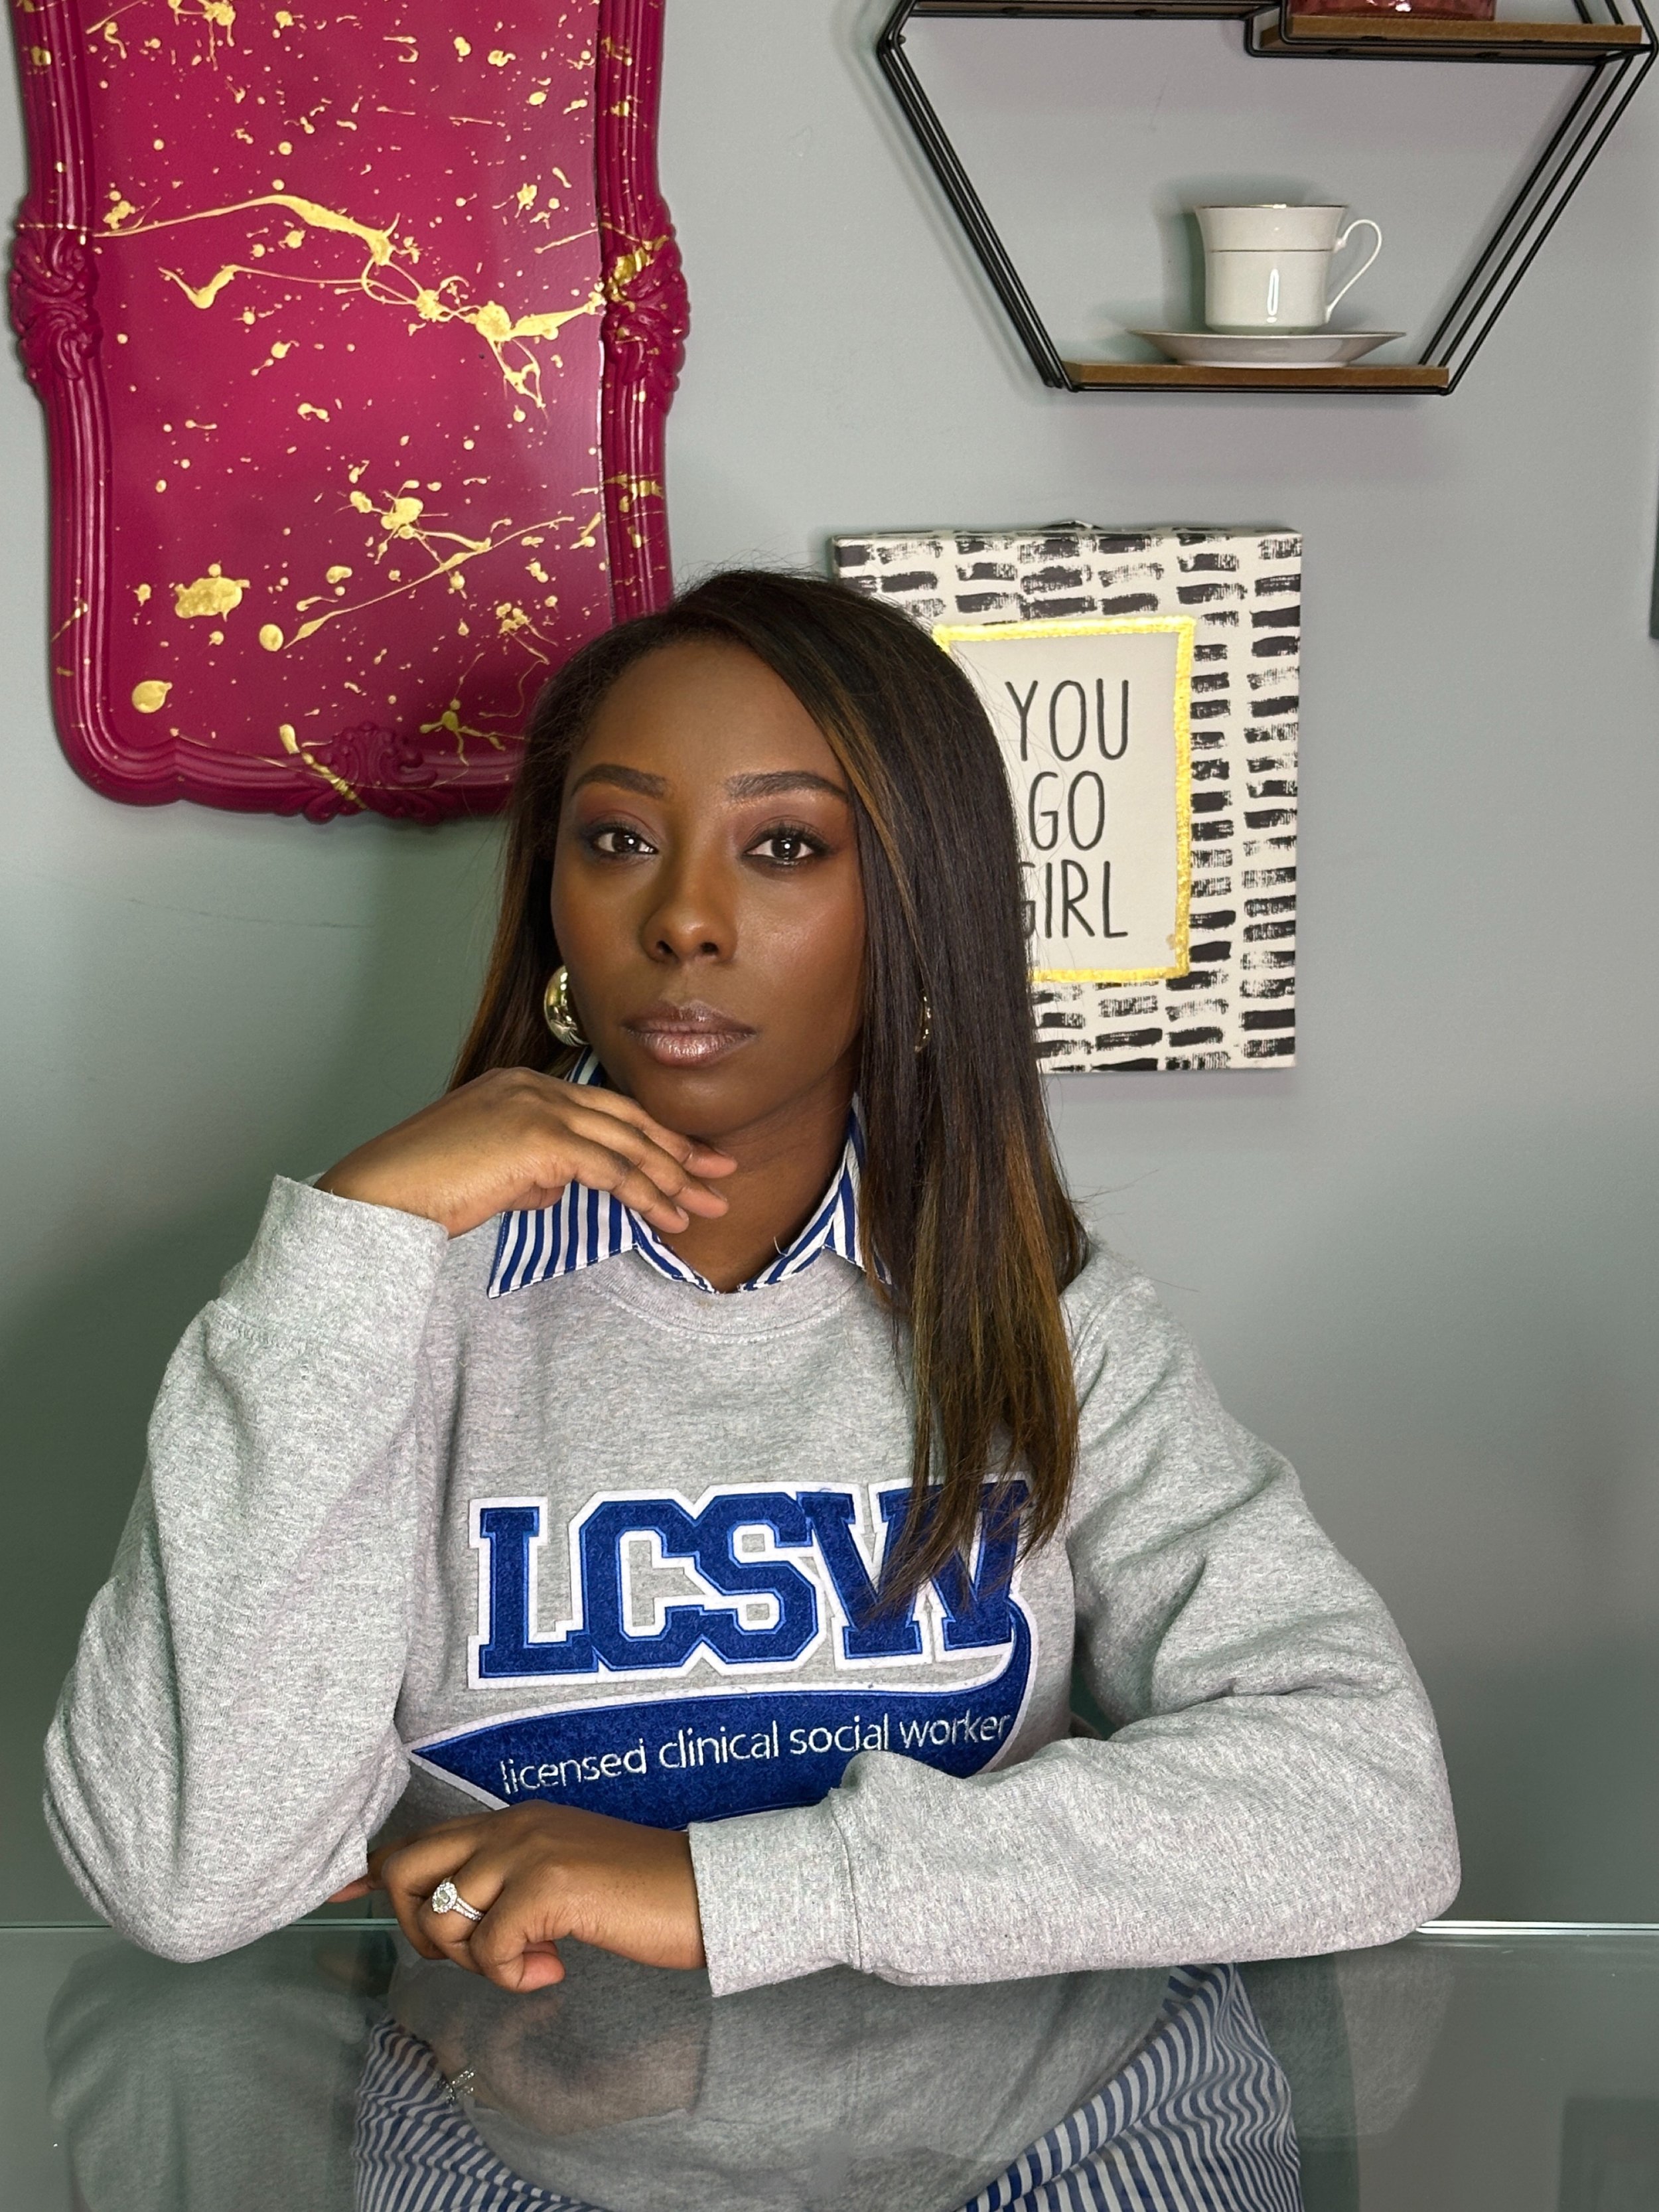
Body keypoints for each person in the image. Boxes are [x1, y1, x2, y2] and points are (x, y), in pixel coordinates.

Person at [43, 569, 1459, 2000]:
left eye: (781, 845)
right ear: (555, 900)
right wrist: (353, 1239)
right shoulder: (378, 1304)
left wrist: (731, 1889)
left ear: (910, 910)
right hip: (506, 2128)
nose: (683, 919)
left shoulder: (1044, 1320)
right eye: (615, 839)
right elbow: (186, 1875)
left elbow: (1365, 1802)